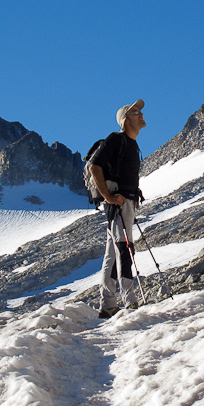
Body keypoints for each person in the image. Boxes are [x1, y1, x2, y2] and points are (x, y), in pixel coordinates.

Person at [89, 98, 146, 318]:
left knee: (112, 254)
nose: (141, 114)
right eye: (135, 112)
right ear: (125, 121)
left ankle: (108, 304)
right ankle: (129, 300)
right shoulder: (116, 139)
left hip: (126, 202)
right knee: (124, 247)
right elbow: (95, 166)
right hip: (119, 204)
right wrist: (109, 197)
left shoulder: (131, 144)